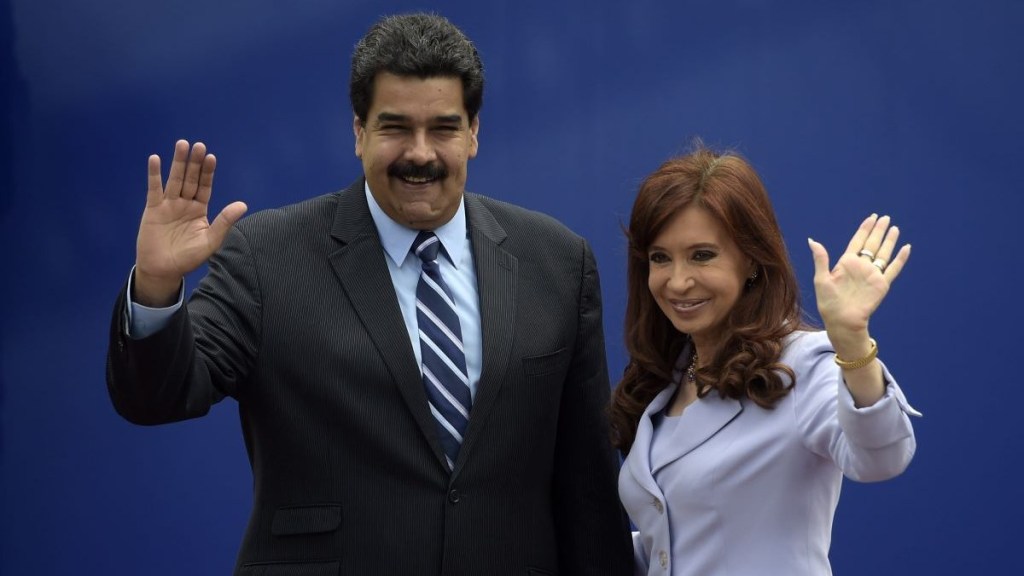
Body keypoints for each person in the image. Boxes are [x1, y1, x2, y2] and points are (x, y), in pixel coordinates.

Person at [106, 12, 633, 575]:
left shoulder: (555, 260)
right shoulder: (267, 255)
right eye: (396, 127)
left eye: (444, 128)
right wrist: (158, 286)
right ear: (358, 132)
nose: (421, 153)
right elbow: (158, 396)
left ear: (475, 132)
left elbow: (588, 491)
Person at [609, 144, 921, 576]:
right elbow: (677, 540)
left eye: (702, 255)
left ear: (751, 258)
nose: (678, 281)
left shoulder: (800, 363)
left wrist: (852, 344)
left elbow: (882, 457)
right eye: (660, 258)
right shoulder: (665, 381)